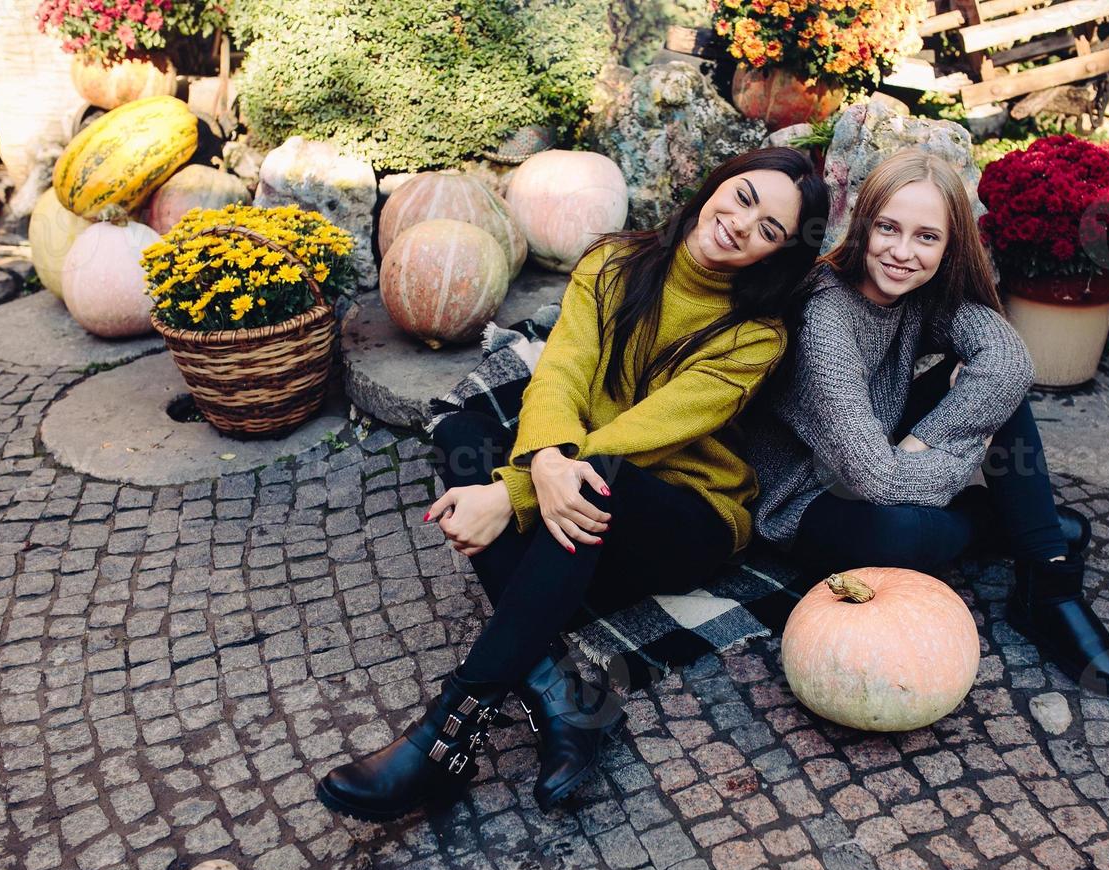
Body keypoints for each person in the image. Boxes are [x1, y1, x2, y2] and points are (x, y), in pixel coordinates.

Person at [317, 147, 830, 821]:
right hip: (583, 483)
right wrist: (544, 466)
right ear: (716, 186)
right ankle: (565, 700)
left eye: (770, 230)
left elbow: (650, 432)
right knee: (463, 436)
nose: (742, 225)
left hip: (683, 514)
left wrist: (515, 492)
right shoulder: (613, 262)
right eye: (742, 198)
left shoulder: (755, 336)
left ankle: (446, 735)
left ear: (778, 254)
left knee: (589, 484)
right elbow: (559, 371)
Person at [747, 149, 1109, 694]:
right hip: (805, 495)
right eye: (888, 228)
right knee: (897, 533)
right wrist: (960, 449)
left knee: (1000, 391)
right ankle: (1006, 526)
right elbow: (871, 480)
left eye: (927, 237)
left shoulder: (923, 293)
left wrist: (920, 442)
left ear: (951, 245)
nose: (902, 253)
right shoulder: (825, 314)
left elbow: (1008, 362)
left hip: (879, 444)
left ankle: (1049, 588)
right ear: (863, 225)